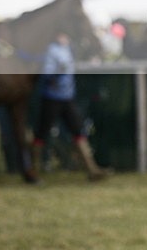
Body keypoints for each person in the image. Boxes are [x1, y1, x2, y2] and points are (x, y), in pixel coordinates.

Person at [31, 32, 108, 181]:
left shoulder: (69, 49)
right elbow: (47, 73)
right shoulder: (51, 50)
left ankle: (92, 169)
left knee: (78, 131)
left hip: (67, 98)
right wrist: (57, 74)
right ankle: (33, 169)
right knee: (42, 132)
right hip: (52, 98)